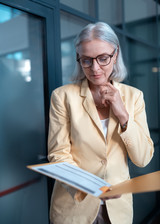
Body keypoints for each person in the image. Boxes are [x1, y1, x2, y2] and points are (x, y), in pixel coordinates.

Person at [47, 22, 154, 224]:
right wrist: (90, 186)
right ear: (78, 59)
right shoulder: (62, 96)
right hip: (73, 208)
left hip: (118, 209)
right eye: (86, 61)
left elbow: (142, 159)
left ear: (115, 54)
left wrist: (122, 114)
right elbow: (58, 154)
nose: (95, 68)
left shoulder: (134, 97)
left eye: (103, 58)